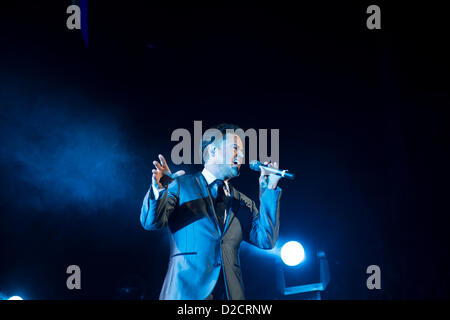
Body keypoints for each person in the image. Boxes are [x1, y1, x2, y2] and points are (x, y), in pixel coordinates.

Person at [140, 123, 283, 300]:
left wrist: (269, 189)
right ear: (213, 151)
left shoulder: (243, 202)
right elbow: (151, 222)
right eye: (235, 148)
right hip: (186, 293)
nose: (242, 156)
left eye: (243, 151)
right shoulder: (180, 185)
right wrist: (159, 191)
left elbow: (266, 240)